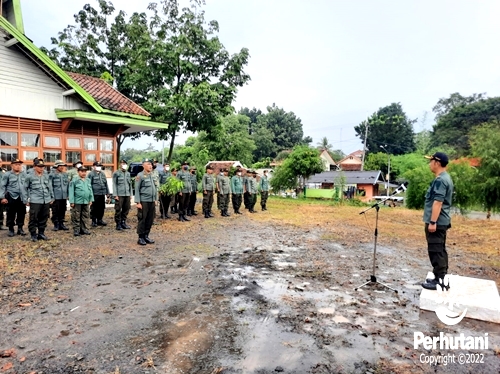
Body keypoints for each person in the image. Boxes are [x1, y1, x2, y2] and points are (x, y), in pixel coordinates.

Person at [421, 152, 454, 291]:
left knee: (436, 250)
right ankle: (439, 276)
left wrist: (433, 222)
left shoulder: (441, 180)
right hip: (441, 221)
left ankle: (440, 281)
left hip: (437, 222)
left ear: (437, 163)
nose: (430, 164)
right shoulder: (444, 178)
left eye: (431, 161)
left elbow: (438, 202)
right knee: (439, 249)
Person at [24, 159, 54, 241]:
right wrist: (26, 199)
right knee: (33, 218)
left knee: (44, 217)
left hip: (46, 199)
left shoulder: (46, 176)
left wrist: (52, 197)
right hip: (35, 200)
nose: (41, 168)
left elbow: (50, 187)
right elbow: (25, 188)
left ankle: (41, 233)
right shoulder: (29, 176)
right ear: (34, 167)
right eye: (39, 167)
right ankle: (33, 234)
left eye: (43, 167)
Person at [0, 159, 27, 237]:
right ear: (12, 165)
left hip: (22, 197)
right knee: (11, 213)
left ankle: (20, 228)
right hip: (11, 196)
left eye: (19, 165)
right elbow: (2, 186)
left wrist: (28, 197)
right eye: (16, 164)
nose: (18, 166)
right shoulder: (7, 175)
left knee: (21, 213)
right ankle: (11, 229)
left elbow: (28, 186)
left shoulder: (24, 175)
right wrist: (2, 197)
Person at [135, 159, 157, 245]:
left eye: (151, 164)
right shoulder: (140, 175)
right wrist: (138, 202)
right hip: (143, 201)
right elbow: (136, 189)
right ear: (143, 166)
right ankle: (140, 237)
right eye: (148, 164)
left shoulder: (152, 175)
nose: (150, 166)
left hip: (151, 201)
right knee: (142, 219)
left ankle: (146, 236)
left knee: (150, 219)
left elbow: (154, 188)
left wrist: (155, 199)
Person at [69, 166, 93, 236]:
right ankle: (76, 230)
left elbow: (90, 190)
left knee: (85, 215)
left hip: (86, 201)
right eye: (82, 171)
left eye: (85, 171)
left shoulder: (88, 180)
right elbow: (71, 191)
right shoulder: (74, 180)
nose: (83, 173)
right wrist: (72, 201)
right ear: (78, 172)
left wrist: (91, 199)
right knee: (76, 215)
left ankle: (84, 229)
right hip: (77, 201)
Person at [49, 160, 69, 231]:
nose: (61, 167)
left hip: (63, 196)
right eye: (60, 166)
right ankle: (56, 224)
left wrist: (68, 194)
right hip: (56, 196)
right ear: (56, 166)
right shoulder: (52, 175)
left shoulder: (65, 174)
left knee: (63, 210)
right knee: (55, 211)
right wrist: (51, 196)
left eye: (62, 166)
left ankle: (61, 223)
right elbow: (50, 186)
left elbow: (67, 185)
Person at [88, 161, 109, 227]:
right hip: (95, 193)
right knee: (94, 208)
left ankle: (100, 219)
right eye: (97, 166)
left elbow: (106, 183)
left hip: (102, 193)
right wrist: (90, 194)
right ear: (94, 166)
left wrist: (107, 193)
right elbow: (89, 185)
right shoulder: (91, 174)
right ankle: (94, 220)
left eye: (100, 166)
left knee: (101, 207)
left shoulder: (102, 174)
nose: (99, 167)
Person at [112, 159, 132, 230]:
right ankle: (118, 223)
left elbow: (130, 185)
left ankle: (123, 222)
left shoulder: (128, 173)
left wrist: (130, 194)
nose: (123, 165)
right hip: (119, 194)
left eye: (125, 164)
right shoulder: (116, 173)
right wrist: (115, 195)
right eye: (122, 163)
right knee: (118, 209)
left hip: (127, 194)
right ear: (120, 165)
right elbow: (114, 184)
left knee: (126, 209)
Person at [0, 161, 5, 230]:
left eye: (0, 162)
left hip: (1, 193)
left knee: (1, 211)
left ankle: (0, 224)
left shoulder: (3, 172)